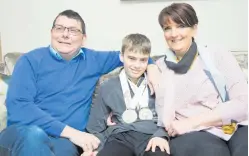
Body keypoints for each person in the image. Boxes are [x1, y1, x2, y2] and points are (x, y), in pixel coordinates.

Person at [0, 10, 160, 156]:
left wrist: (152, 66)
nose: (65, 34)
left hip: (64, 142)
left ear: (84, 39)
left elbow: (132, 54)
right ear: (51, 33)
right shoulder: (30, 60)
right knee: (34, 136)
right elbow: (19, 107)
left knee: (67, 151)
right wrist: (73, 133)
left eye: (73, 30)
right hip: (23, 134)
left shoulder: (94, 60)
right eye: (59, 28)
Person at [155, 3, 248, 156]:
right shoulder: (160, 67)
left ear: (195, 28)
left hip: (235, 124)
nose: (174, 33)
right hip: (194, 135)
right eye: (167, 28)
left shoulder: (217, 54)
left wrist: (192, 121)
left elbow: (244, 103)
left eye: (181, 26)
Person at [86, 33, 170, 156]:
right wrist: (95, 149)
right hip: (120, 137)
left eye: (143, 60)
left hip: (152, 136)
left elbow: (171, 114)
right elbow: (95, 128)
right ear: (121, 57)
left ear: (148, 60)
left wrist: (161, 135)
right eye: (131, 58)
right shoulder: (107, 86)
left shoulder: (157, 82)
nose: (137, 65)